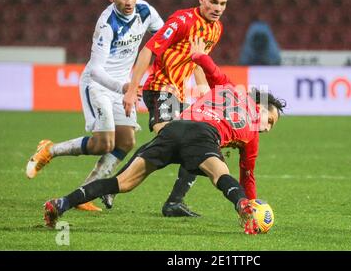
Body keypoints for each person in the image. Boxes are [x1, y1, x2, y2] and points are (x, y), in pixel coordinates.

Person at [43, 37, 286, 235]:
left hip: (175, 128)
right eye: (270, 120)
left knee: (122, 183)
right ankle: (241, 208)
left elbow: (211, 70)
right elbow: (248, 176)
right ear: (261, 107)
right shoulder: (252, 134)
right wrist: (250, 203)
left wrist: (198, 56)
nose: (267, 127)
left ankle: (62, 203)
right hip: (203, 136)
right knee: (220, 174)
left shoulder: (230, 88)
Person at [25, 0, 164, 211]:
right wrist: (124, 87)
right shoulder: (106, 24)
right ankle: (49, 150)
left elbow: (164, 37)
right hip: (99, 86)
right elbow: (96, 71)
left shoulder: (146, 12)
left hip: (124, 87)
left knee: (127, 141)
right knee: (104, 143)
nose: (129, 2)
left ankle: (85, 193)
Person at [116, 0, 229, 217]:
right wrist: (132, 87)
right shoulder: (182, 20)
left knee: (197, 141)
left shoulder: (216, 29)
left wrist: (203, 92)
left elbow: (199, 61)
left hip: (178, 92)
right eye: (213, 2)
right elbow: (149, 49)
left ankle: (175, 202)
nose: (217, 8)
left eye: (222, 3)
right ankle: (115, 185)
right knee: (174, 139)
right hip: (159, 88)